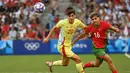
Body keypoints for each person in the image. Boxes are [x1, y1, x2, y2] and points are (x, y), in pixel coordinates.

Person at [43, 8, 86, 73]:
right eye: (70, 16)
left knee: (65, 64)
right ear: (67, 16)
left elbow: (85, 28)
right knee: (78, 59)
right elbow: (54, 28)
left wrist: (86, 33)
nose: (71, 17)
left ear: (75, 16)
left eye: (72, 16)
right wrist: (47, 38)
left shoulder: (77, 22)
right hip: (62, 46)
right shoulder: (62, 22)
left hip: (69, 45)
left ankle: (51, 64)